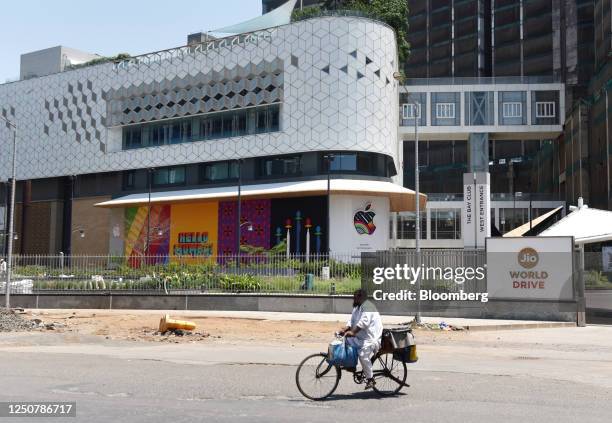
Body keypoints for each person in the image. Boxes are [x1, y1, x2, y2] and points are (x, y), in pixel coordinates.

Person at [338, 289, 383, 390]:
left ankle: (371, 379)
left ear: (361, 297)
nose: (353, 299)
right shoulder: (357, 307)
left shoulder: (368, 307)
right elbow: (352, 320)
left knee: (362, 354)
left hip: (371, 338)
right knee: (345, 341)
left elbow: (364, 322)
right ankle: (351, 365)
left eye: (355, 297)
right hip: (361, 337)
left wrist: (353, 332)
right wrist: (346, 329)